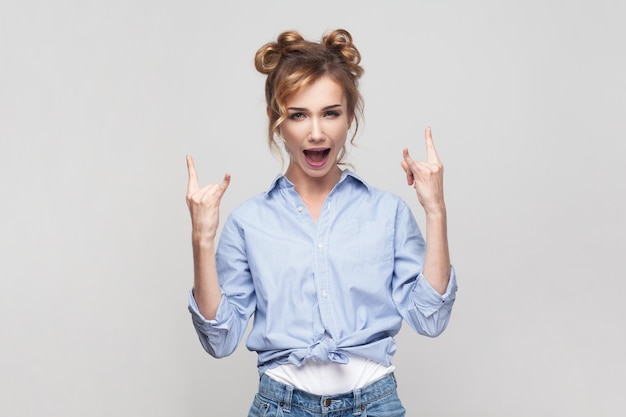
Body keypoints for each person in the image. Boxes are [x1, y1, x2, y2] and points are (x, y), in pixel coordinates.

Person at [186, 28, 458, 417]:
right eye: (298, 115)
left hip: (373, 404)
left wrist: (436, 211)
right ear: (276, 121)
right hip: (281, 405)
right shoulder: (248, 222)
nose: (316, 133)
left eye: (330, 113)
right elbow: (220, 340)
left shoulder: (388, 213)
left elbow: (430, 319)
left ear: (350, 116)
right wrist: (202, 239)